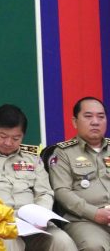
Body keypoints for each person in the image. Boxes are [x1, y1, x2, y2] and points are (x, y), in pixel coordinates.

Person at [0, 104, 77, 251]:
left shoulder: (31, 157)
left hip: (32, 225)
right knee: (8, 243)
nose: (8, 143)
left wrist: (39, 216)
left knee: (62, 241)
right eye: (3, 136)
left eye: (16, 138)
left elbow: (44, 193)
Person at [48, 97, 110, 250]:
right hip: (86, 220)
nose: (95, 122)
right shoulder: (63, 152)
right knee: (93, 246)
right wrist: (94, 213)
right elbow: (62, 192)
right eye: (88, 116)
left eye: (100, 117)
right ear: (75, 122)